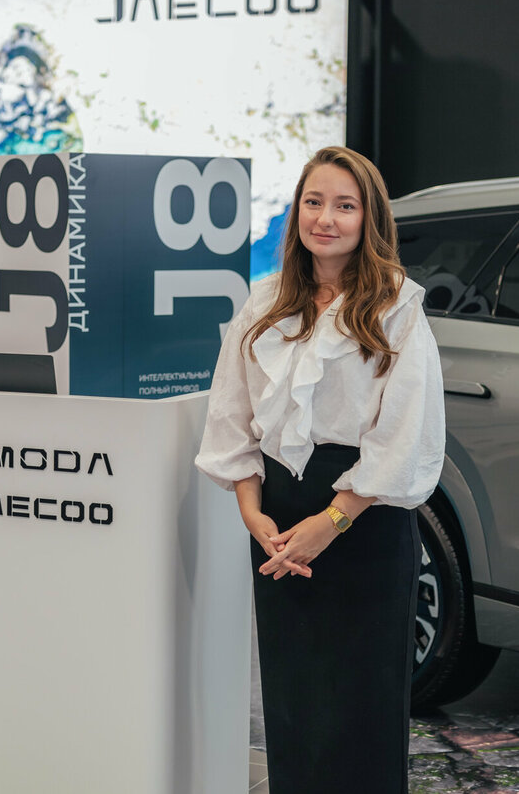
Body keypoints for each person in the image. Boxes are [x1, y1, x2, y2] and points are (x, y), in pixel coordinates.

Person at [195, 146, 445, 793]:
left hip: (363, 522)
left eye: (344, 205)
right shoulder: (263, 302)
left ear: (369, 218)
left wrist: (331, 521)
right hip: (278, 523)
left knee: (360, 709)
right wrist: (252, 513)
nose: (325, 218)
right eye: (313, 202)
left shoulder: (397, 307)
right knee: (293, 702)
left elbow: (406, 435)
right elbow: (232, 414)